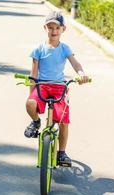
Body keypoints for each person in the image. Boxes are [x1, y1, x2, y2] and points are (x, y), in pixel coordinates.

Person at [24, 11, 89, 166]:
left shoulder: (65, 48)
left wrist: (81, 74)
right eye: (50, 27)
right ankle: (36, 122)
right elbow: (33, 75)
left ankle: (61, 152)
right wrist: (31, 95)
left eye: (57, 28)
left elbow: (75, 63)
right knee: (30, 104)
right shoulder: (38, 49)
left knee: (63, 120)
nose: (53, 31)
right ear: (45, 28)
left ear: (63, 29)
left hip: (59, 87)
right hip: (42, 86)